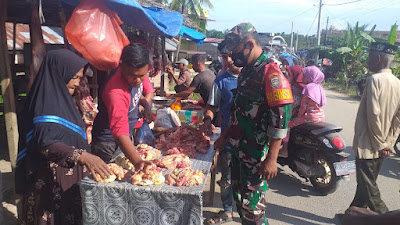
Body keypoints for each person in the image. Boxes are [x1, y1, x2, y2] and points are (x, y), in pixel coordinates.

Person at [16, 49, 112, 225]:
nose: (78, 83)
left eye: (80, 77)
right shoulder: (44, 102)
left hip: (70, 184)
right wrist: (83, 156)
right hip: (50, 188)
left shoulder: (66, 101)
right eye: (74, 77)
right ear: (59, 74)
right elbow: (46, 144)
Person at [216, 23, 293, 224]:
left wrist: (272, 159)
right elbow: (237, 110)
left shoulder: (271, 73)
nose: (232, 57)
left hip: (257, 157)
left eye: (235, 51)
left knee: (254, 211)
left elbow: (281, 118)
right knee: (242, 204)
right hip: (238, 151)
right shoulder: (246, 72)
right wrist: (224, 137)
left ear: (249, 44)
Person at [349, 42, 400, 214]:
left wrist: (381, 145)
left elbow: (373, 115)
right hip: (383, 145)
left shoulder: (373, 80)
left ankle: (388, 220)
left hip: (369, 145)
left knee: (370, 191)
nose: (367, 61)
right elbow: (398, 119)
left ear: (377, 59)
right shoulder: (397, 82)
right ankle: (353, 216)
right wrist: (389, 143)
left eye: (369, 58)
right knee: (365, 185)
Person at [91, 43, 153, 171]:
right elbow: (119, 131)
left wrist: (146, 105)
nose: (137, 80)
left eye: (141, 75)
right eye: (132, 76)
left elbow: (137, 94)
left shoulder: (140, 74)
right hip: (107, 143)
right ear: (122, 67)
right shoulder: (115, 92)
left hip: (125, 137)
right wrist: (137, 162)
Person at [201, 51, 242, 225]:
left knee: (247, 178)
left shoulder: (252, 78)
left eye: (232, 56)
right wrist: (208, 120)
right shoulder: (221, 80)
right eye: (225, 57)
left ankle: (249, 212)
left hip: (250, 140)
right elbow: (211, 105)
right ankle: (228, 211)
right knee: (226, 177)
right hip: (227, 137)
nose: (229, 61)